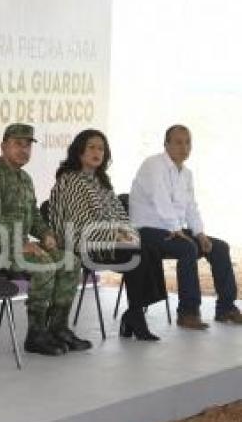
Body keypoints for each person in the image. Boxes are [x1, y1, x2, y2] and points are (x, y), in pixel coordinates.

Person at [0, 123, 85, 356]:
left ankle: (57, 328)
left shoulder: (25, 179)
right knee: (43, 266)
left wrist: (46, 234)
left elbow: (33, 215)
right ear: (4, 146)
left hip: (19, 245)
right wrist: (19, 243)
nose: (23, 150)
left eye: (27, 146)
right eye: (17, 144)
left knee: (71, 262)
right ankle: (35, 335)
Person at [48, 129, 167, 341]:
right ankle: (135, 315)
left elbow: (121, 215)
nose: (97, 152)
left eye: (101, 148)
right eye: (91, 147)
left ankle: (134, 312)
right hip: (82, 243)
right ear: (79, 151)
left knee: (149, 247)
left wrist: (125, 233)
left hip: (110, 240)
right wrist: (116, 234)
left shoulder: (101, 181)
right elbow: (82, 224)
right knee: (136, 252)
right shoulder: (71, 180)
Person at [129, 125, 241, 329]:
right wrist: (177, 230)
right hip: (146, 231)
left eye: (188, 142)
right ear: (166, 144)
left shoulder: (186, 174)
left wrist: (199, 233)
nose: (184, 147)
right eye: (178, 142)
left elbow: (191, 207)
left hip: (172, 230)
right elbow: (159, 198)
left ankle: (226, 307)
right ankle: (188, 312)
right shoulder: (153, 165)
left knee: (220, 247)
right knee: (187, 248)